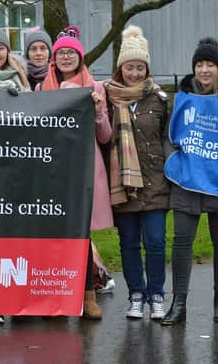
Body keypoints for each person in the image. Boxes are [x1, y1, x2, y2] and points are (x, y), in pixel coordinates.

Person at [38, 25, 113, 319]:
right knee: (51, 234)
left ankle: (87, 294)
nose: (67, 57)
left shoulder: (96, 88)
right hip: (52, 169)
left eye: (72, 52)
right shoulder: (41, 90)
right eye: (62, 53)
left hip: (83, 168)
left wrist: (97, 113)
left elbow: (105, 136)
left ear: (80, 58)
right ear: (54, 59)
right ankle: (50, 292)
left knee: (81, 235)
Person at [104, 25, 169, 320]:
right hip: (121, 183)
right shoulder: (107, 96)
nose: (134, 73)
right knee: (128, 243)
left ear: (147, 68)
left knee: (155, 242)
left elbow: (168, 138)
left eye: (140, 67)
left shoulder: (159, 99)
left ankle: (156, 294)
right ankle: (135, 295)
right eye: (129, 67)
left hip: (155, 182)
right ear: (120, 68)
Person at [161, 38, 218, 325]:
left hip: (217, 179)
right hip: (187, 178)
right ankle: (178, 304)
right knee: (181, 242)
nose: (204, 70)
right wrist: (174, 161)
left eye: (210, 64)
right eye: (199, 64)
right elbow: (170, 135)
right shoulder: (182, 97)